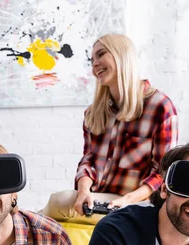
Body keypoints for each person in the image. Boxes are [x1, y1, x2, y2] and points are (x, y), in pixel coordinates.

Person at [40, 33, 178, 222]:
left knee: (60, 201)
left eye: (101, 54)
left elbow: (164, 173)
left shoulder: (160, 107)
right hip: (99, 200)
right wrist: (83, 191)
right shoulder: (93, 113)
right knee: (58, 211)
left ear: (122, 56)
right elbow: (88, 161)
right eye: (92, 59)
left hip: (138, 204)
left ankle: (21, 224)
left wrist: (127, 200)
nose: (94, 63)